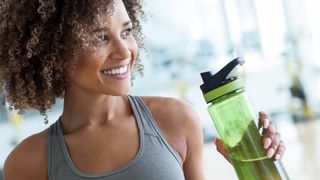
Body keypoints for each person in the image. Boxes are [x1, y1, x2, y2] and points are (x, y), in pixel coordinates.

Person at [0, 0, 285, 179]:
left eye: (126, 31)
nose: (124, 51)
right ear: (56, 53)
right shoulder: (28, 164)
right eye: (100, 38)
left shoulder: (175, 121)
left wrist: (255, 165)